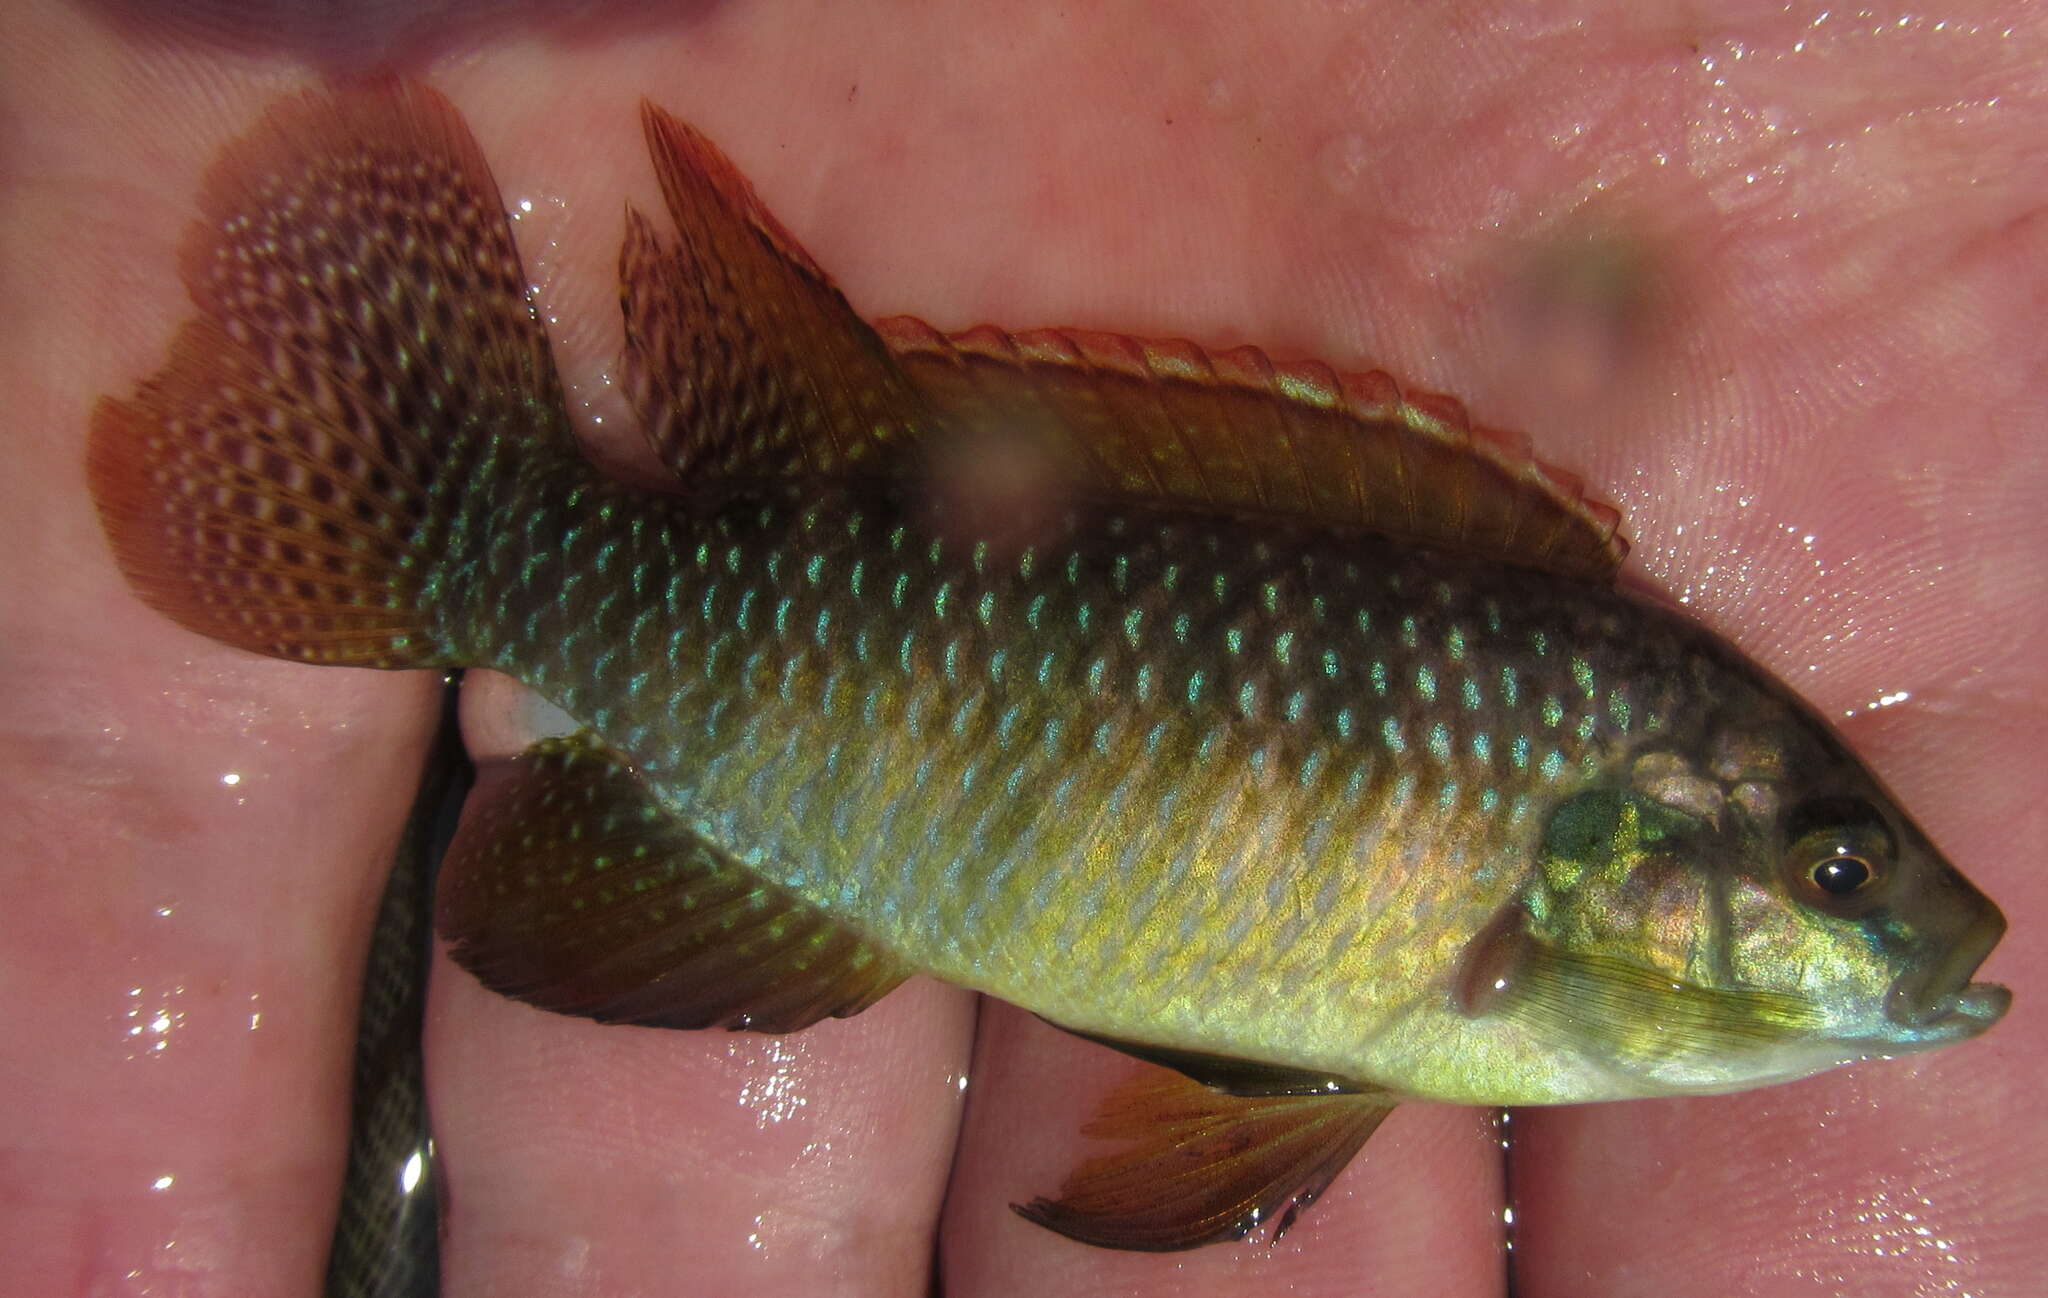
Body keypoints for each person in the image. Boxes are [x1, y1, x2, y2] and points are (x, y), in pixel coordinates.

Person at [2, 1, 2039, 1292]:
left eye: (1849, 874)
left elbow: (1268, 1100)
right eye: (1836, 875)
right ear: (1640, 857)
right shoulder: (1550, 865)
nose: (1891, 923)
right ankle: (463, 531)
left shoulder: (1554, 889)